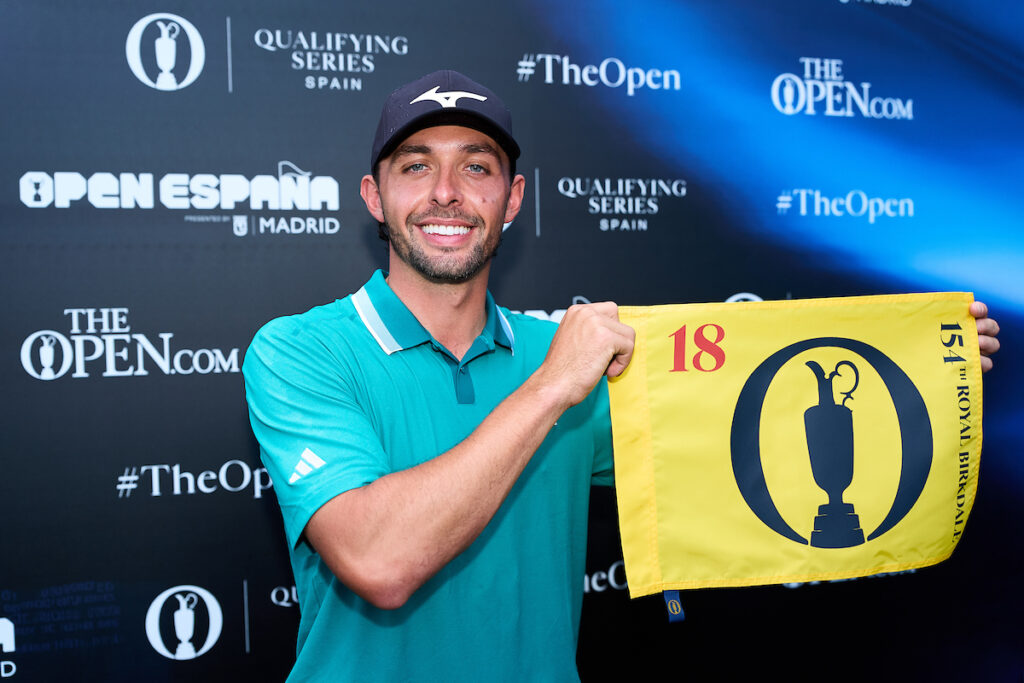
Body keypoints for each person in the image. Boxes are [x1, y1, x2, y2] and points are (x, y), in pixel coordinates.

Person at [243, 70, 1001, 681]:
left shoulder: (567, 352)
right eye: (417, 166)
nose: (447, 192)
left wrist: (921, 365)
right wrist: (551, 387)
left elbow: (752, 429)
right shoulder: (300, 351)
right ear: (375, 197)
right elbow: (379, 560)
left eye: (477, 166)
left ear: (513, 200)